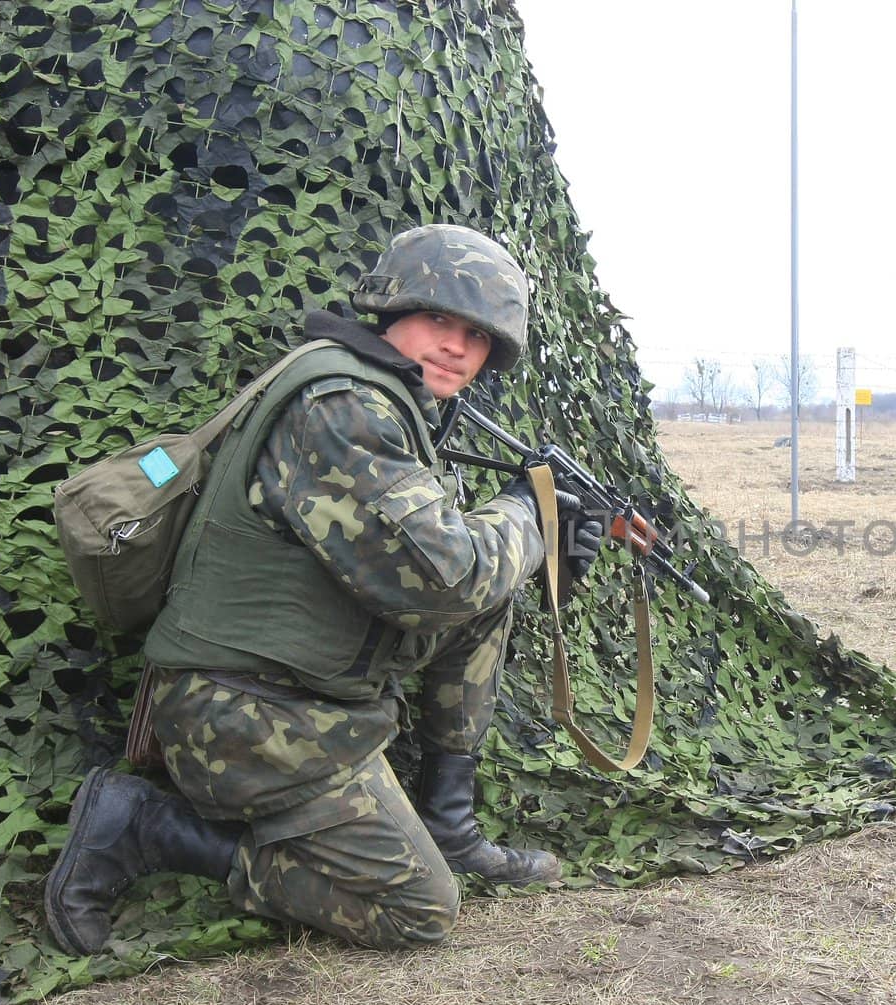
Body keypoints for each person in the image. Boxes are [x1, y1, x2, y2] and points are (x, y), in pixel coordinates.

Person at [46, 224, 604, 956]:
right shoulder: (344, 407)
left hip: (293, 689)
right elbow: (445, 579)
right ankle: (144, 826)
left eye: (477, 334)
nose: (456, 346)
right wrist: (530, 516)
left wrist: (538, 544)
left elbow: (457, 578)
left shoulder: (373, 394)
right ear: (391, 307)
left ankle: (448, 824)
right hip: (243, 713)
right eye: (439, 317)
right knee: (420, 911)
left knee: (488, 594)